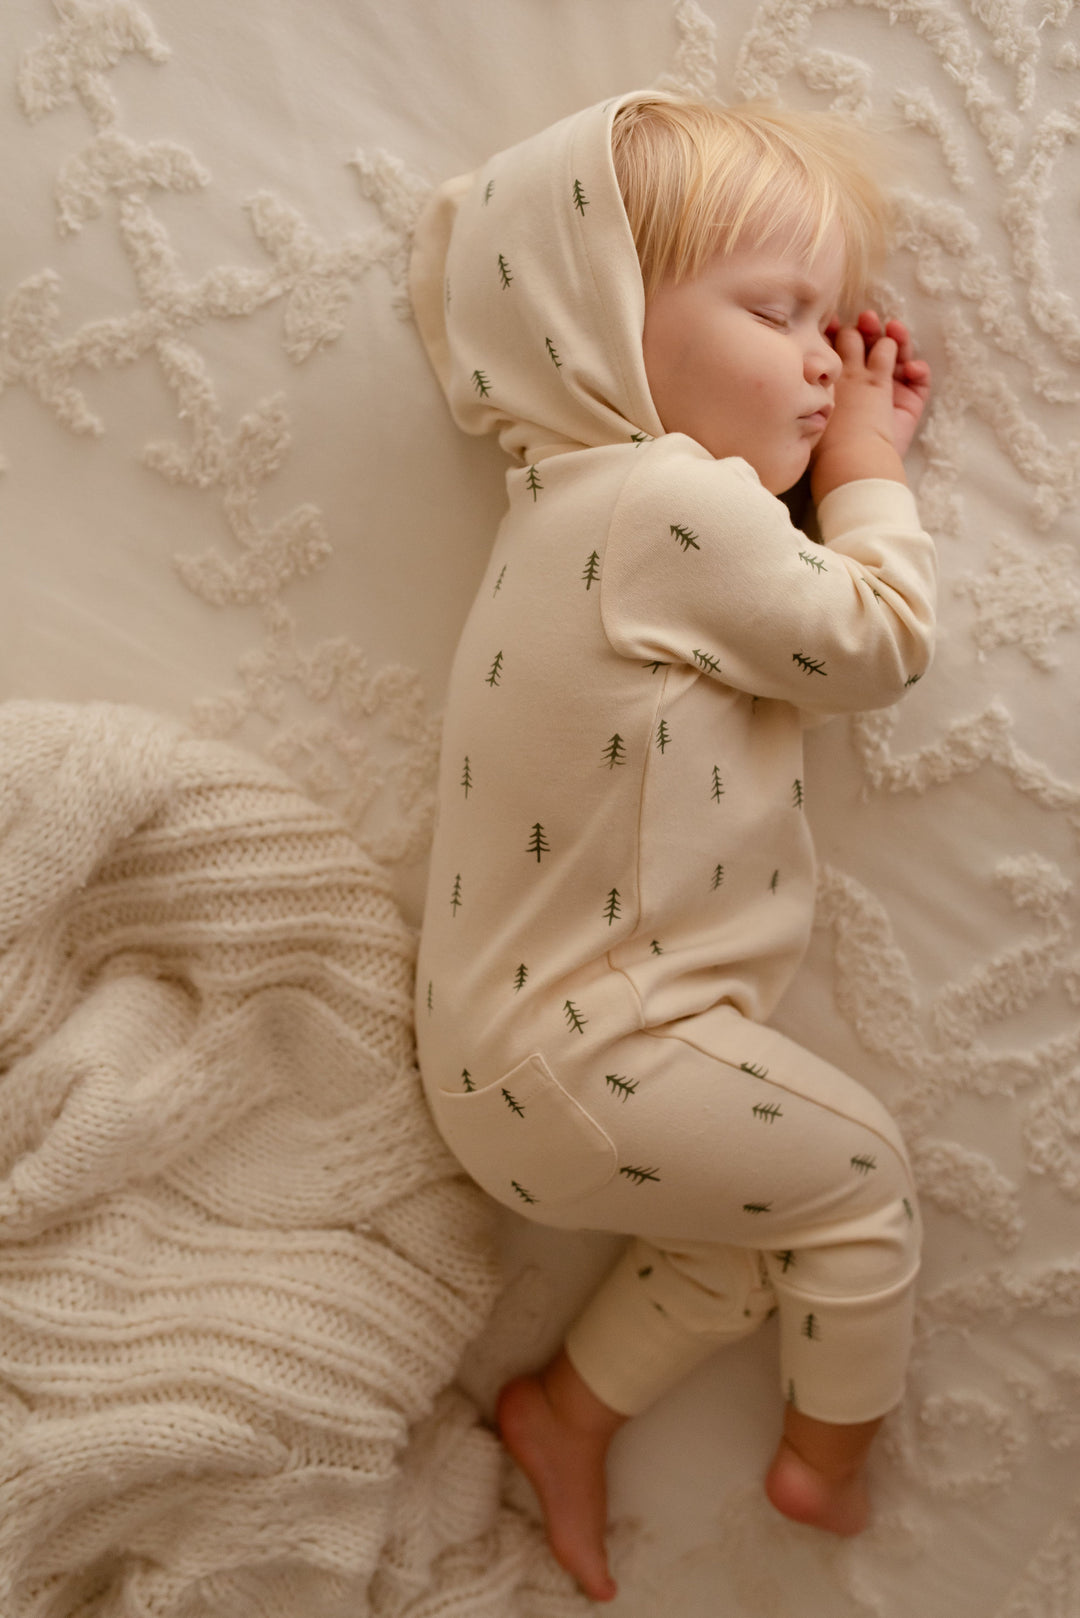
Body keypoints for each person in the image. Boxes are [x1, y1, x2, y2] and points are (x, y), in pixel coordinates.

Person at [408, 90, 935, 1603]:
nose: (830, 357)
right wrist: (866, 476)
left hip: (530, 1053)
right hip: (598, 1048)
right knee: (858, 1180)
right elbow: (876, 637)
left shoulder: (562, 507)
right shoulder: (668, 503)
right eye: (781, 311)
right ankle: (822, 1468)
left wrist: (812, 425)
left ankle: (562, 1412)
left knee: (735, 1232)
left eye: (834, 320)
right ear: (603, 321)